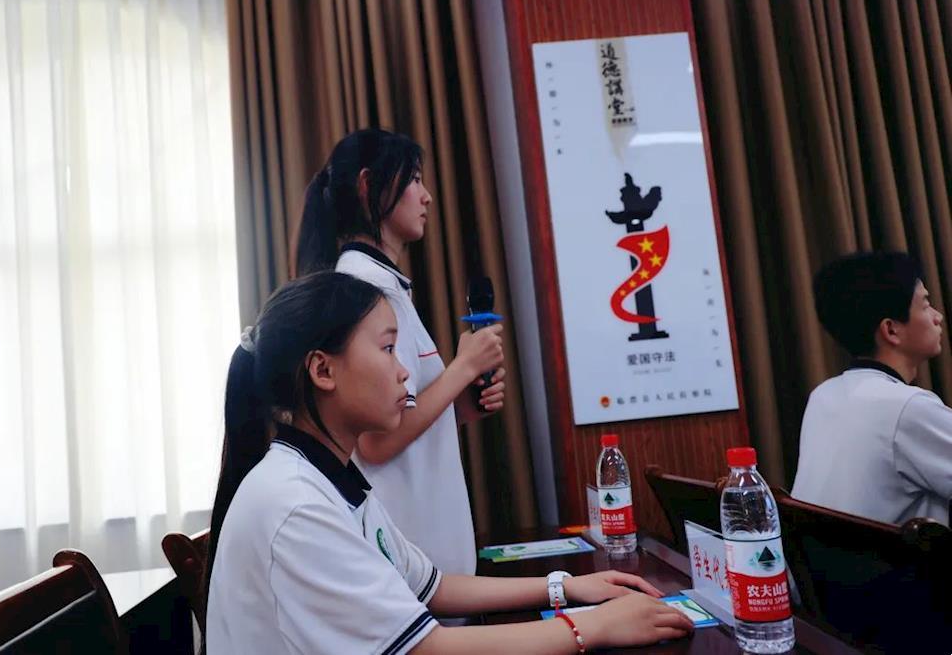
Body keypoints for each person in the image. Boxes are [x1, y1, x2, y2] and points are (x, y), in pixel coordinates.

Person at [203, 271, 693, 654]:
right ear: (322, 369)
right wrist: (593, 628)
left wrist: (566, 586)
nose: (403, 372)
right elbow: (427, 648)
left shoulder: (329, 478)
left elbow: (433, 587)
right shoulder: (295, 505)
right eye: (388, 349)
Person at [296, 128, 502, 578]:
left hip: (428, 558)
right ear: (369, 186)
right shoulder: (364, 289)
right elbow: (376, 441)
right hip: (410, 565)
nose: (426, 196)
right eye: (414, 179)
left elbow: (405, 419)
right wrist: (464, 366)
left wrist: (461, 403)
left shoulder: (385, 285)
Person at [792, 252, 952, 525]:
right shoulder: (908, 408)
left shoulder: (824, 395)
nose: (937, 317)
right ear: (891, 330)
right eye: (925, 306)